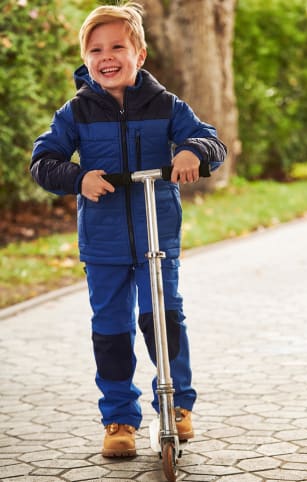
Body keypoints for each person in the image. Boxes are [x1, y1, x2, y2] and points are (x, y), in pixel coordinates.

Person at [30, 1, 226, 458]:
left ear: (140, 53)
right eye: (96, 49)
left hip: (158, 235)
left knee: (164, 322)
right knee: (111, 330)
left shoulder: (166, 105)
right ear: (86, 58)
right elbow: (43, 162)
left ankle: (177, 405)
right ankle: (119, 417)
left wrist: (192, 151)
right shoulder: (76, 112)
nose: (106, 56)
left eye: (117, 46)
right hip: (103, 243)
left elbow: (211, 140)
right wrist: (79, 178)